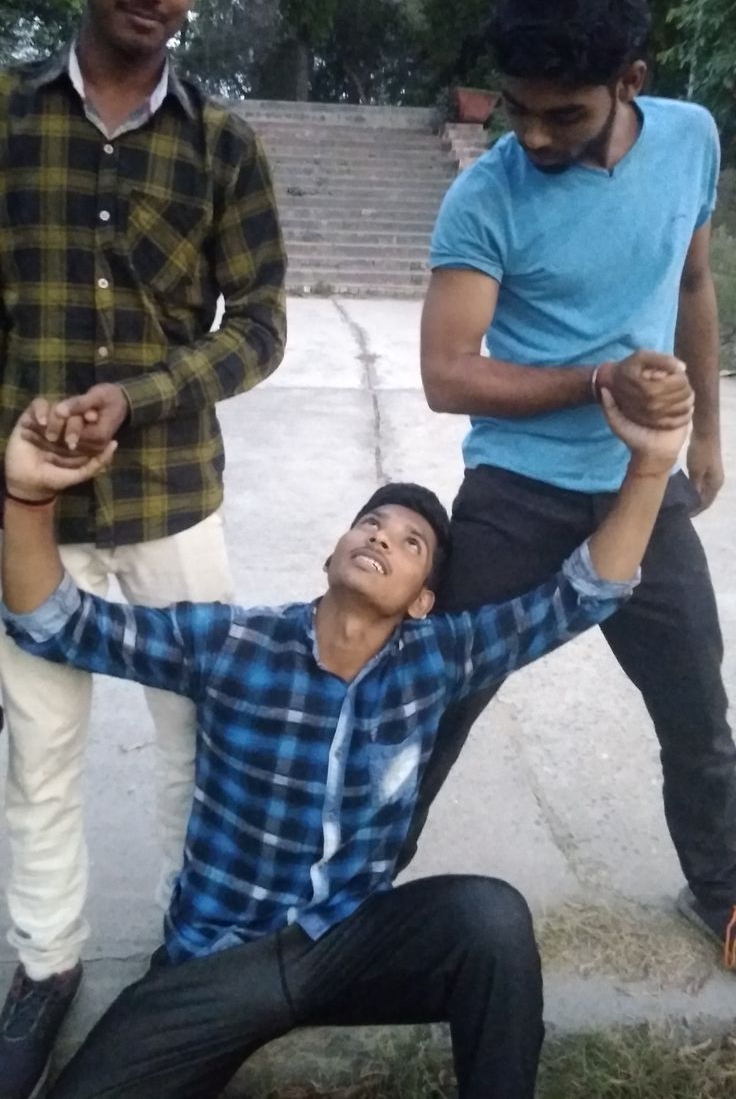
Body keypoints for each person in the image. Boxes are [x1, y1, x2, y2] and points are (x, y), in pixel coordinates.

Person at [0, 377, 690, 1099]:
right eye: (372, 525)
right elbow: (57, 622)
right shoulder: (235, 644)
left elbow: (581, 595)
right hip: (216, 966)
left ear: (423, 599)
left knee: (488, 918)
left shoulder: (436, 659)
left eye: (411, 542)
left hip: (346, 948)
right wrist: (28, 497)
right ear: (332, 555)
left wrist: (647, 466)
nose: (383, 538)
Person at [0, 0, 286, 1097]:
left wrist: (147, 393)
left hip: (175, 503)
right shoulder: (9, 123)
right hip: (32, 515)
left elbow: (263, 325)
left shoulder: (224, 147)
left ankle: (192, 973)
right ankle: (45, 969)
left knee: (196, 745)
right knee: (39, 747)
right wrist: (22, 435)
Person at [409, 0, 736, 965]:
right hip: (515, 489)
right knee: (435, 702)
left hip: (641, 495)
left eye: (566, 113)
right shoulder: (487, 195)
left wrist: (709, 431)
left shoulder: (688, 140)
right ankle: (336, 890)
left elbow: (690, 285)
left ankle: (723, 894)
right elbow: (448, 372)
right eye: (518, 107)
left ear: (629, 80)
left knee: (698, 713)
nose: (534, 136)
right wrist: (596, 381)